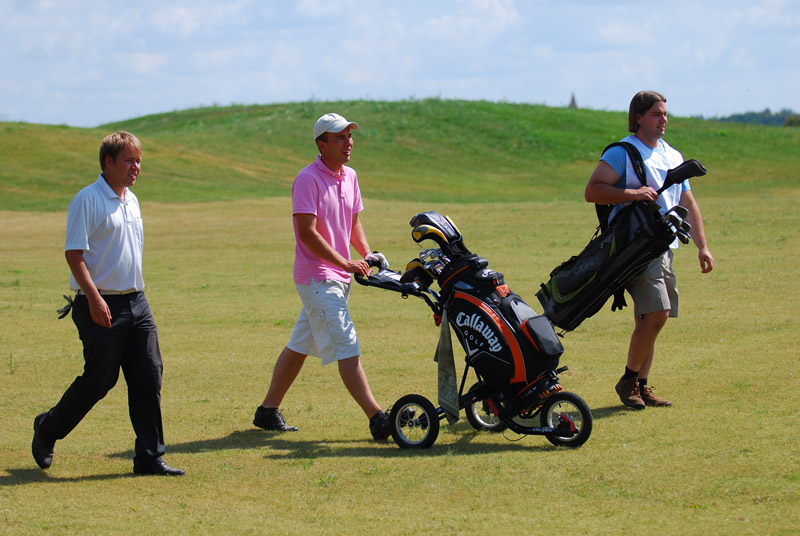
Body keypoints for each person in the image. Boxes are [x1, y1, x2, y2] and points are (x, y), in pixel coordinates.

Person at [32, 131, 184, 476]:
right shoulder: (87, 200)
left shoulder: (131, 199)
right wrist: (95, 298)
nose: (137, 167)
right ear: (108, 162)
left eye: (139, 160)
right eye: (129, 160)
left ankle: (149, 457)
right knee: (100, 380)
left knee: (148, 375)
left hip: (137, 302)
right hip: (98, 304)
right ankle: (48, 428)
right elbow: (74, 254)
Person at [253, 113, 392, 439]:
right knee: (347, 344)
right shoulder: (307, 179)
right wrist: (346, 262)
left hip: (337, 277)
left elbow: (352, 223)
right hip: (316, 279)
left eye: (349, 136)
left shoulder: (350, 176)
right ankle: (377, 417)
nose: (348, 142)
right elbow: (307, 234)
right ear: (322, 143)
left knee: (301, 344)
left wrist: (367, 254)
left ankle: (267, 411)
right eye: (340, 137)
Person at [584, 91, 714, 409]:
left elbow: (688, 203)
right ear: (639, 117)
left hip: (664, 246)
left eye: (665, 113)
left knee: (650, 318)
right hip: (635, 246)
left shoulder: (672, 154)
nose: (663, 119)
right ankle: (628, 380)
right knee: (658, 312)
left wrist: (703, 247)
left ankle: (641, 385)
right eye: (656, 113)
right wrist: (632, 192)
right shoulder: (623, 153)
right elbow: (593, 191)